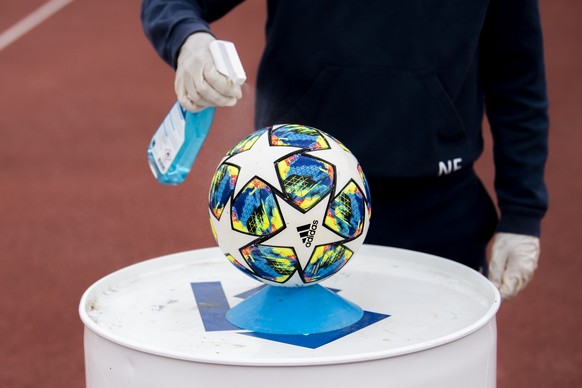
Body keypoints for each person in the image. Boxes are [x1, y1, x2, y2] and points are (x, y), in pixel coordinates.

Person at [141, 0, 549, 300]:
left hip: (436, 212)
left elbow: (518, 74)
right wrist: (189, 40)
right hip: (292, 203)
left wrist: (522, 213)